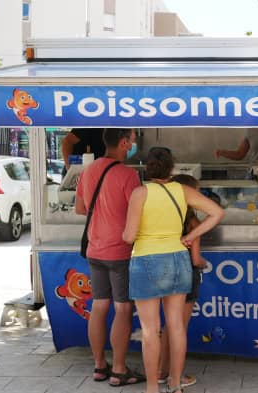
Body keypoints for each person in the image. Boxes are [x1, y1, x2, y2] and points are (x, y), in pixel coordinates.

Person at [122, 148, 224, 393]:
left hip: (146, 259)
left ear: (147, 167)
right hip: (178, 259)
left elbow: (128, 236)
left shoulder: (140, 193)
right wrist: (190, 237)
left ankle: (151, 387)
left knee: (150, 330)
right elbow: (217, 213)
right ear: (171, 168)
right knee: (176, 325)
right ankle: (176, 384)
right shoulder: (183, 190)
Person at [74, 128, 144, 387]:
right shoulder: (128, 175)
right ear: (124, 143)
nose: (134, 145)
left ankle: (99, 366)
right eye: (133, 141)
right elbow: (138, 214)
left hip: (95, 249)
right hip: (120, 251)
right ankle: (119, 369)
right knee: (123, 307)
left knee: (99, 305)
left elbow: (80, 208)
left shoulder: (88, 171)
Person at [157, 174, 207, 389]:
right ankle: (175, 378)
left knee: (168, 325)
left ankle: (160, 371)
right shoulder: (193, 224)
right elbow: (196, 260)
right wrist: (203, 263)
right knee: (179, 329)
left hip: (165, 273)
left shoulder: (162, 218)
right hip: (187, 276)